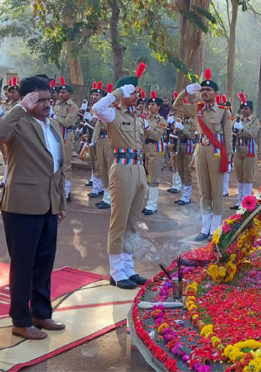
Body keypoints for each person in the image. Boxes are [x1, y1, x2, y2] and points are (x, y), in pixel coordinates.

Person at [0, 75, 67, 340]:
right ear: (27, 99)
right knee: (23, 266)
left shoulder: (53, 125)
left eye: (48, 98)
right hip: (21, 206)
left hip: (48, 205)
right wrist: (20, 107)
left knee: (44, 263)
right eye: (40, 99)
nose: (47, 103)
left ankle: (41, 314)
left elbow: (59, 168)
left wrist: (60, 203)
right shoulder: (18, 123)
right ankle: (20, 320)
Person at [93, 63, 149, 289]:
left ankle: (128, 268)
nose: (137, 95)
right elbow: (96, 108)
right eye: (133, 91)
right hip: (123, 168)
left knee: (133, 222)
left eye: (136, 91)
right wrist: (117, 92)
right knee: (119, 221)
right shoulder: (112, 113)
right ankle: (116, 272)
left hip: (138, 169)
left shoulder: (137, 117)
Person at [173, 69, 233, 241]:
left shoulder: (223, 111)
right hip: (200, 151)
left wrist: (228, 158)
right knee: (204, 192)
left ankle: (215, 230)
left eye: (209, 90)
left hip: (216, 153)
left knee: (216, 193)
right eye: (202, 90)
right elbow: (176, 105)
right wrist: (186, 91)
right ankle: (205, 228)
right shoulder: (196, 109)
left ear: (215, 93)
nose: (205, 93)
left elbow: (228, 136)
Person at [230, 93, 261, 210]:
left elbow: (252, 133)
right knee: (239, 176)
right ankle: (239, 201)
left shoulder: (255, 121)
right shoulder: (238, 119)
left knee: (247, 177)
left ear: (251, 110)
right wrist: (236, 125)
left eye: (246, 108)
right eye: (242, 108)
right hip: (238, 149)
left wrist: (241, 128)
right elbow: (232, 129)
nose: (244, 110)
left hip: (249, 151)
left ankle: (247, 202)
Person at [53, 77, 79, 202]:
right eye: (60, 92)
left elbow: (68, 123)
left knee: (66, 164)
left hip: (66, 136)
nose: (60, 94)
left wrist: (54, 117)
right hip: (56, 134)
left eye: (63, 92)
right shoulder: (56, 105)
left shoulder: (73, 107)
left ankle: (67, 191)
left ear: (69, 94)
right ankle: (56, 188)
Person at [142, 91, 167, 215]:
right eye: (149, 104)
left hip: (155, 149)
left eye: (153, 104)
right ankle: (146, 202)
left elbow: (157, 136)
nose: (151, 106)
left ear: (158, 107)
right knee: (145, 177)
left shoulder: (161, 120)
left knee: (154, 178)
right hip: (144, 148)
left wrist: (147, 128)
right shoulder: (144, 118)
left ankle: (152, 205)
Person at [92, 83, 114, 209]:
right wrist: (93, 140)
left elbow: (109, 127)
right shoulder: (102, 114)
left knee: (110, 168)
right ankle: (106, 197)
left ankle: (110, 197)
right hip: (101, 141)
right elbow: (97, 128)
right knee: (103, 169)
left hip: (109, 141)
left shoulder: (113, 113)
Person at [85, 82, 106, 199]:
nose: (94, 97)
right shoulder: (90, 108)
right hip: (92, 137)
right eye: (93, 95)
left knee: (100, 163)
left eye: (97, 95)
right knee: (94, 162)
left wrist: (92, 120)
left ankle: (98, 188)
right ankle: (97, 185)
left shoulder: (104, 109)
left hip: (102, 138)